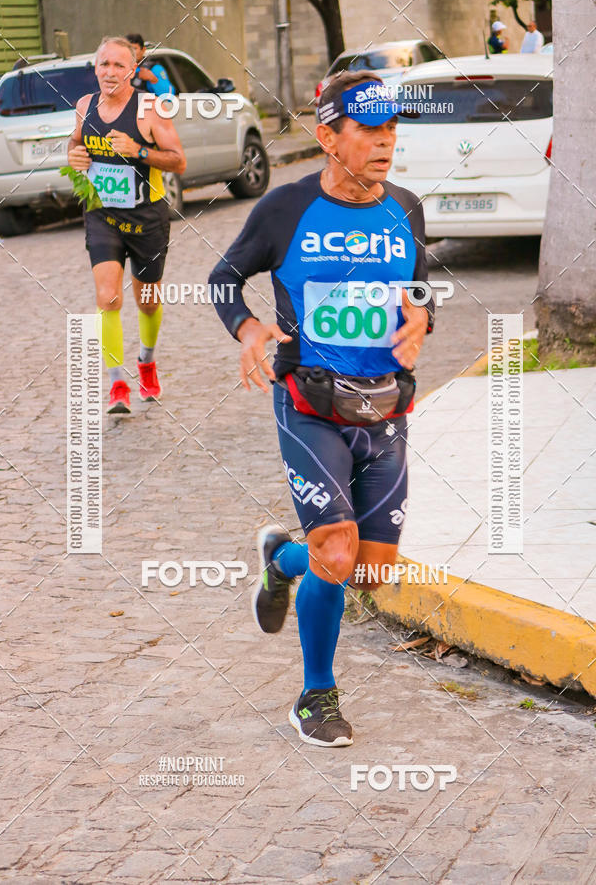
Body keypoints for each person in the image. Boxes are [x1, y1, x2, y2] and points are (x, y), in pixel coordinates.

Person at [210, 72, 435, 747]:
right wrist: (250, 332)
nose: (384, 142)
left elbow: (420, 286)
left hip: (387, 407)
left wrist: (422, 318)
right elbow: (224, 276)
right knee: (336, 554)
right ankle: (316, 695)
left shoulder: (406, 207)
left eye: (391, 130)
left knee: (370, 570)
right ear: (327, 135)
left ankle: (283, 558)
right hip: (310, 405)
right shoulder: (285, 210)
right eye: (367, 130)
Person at [67, 36, 186, 413]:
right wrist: (75, 157)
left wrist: (140, 152)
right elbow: (74, 145)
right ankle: (118, 383)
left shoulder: (149, 109)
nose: (110, 72)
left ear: (133, 71)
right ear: (96, 68)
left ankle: (146, 362)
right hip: (102, 212)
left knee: (147, 301)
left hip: (146, 216)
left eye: (119, 65)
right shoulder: (85, 106)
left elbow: (178, 161)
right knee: (108, 298)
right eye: (104, 64)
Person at [125, 33, 176, 98]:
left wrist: (153, 79)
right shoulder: (117, 69)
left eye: (134, 49)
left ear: (143, 50)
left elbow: (169, 96)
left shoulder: (154, 69)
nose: (131, 52)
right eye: (128, 49)